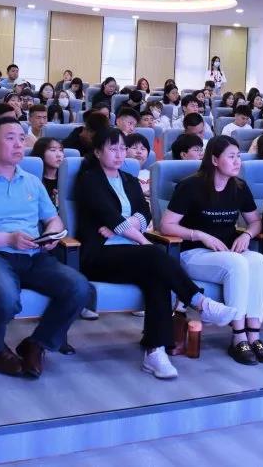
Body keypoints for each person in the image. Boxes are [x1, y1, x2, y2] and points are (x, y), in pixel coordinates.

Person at [74, 127, 238, 378]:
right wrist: (142, 240)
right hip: (99, 254)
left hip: (132, 253)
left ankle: (155, 351)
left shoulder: (129, 180)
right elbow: (110, 216)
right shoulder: (89, 180)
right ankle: (198, 301)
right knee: (154, 254)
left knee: (157, 277)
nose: (119, 154)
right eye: (112, 149)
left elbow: (145, 213)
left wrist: (125, 224)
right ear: (97, 152)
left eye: (122, 148)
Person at [0, 117, 88, 378]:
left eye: (21, 138)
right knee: (5, 298)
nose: (18, 144)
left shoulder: (32, 182)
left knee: (80, 288)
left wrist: (50, 235)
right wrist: (8, 239)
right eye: (10, 138)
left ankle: (37, 344)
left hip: (34, 254)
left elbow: (53, 218)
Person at [160, 136, 263, 365]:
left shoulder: (239, 187)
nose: (237, 161)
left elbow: (255, 221)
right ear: (214, 159)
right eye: (231, 157)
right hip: (193, 253)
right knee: (237, 264)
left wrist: (246, 235)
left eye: (238, 156)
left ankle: (254, 335)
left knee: (260, 261)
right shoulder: (190, 186)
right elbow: (166, 225)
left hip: (227, 251)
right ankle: (238, 336)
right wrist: (200, 235)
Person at [30, 137, 64, 208]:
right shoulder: (32, 180)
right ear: (41, 153)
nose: (59, 155)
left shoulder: (66, 179)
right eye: (53, 150)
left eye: (61, 150)